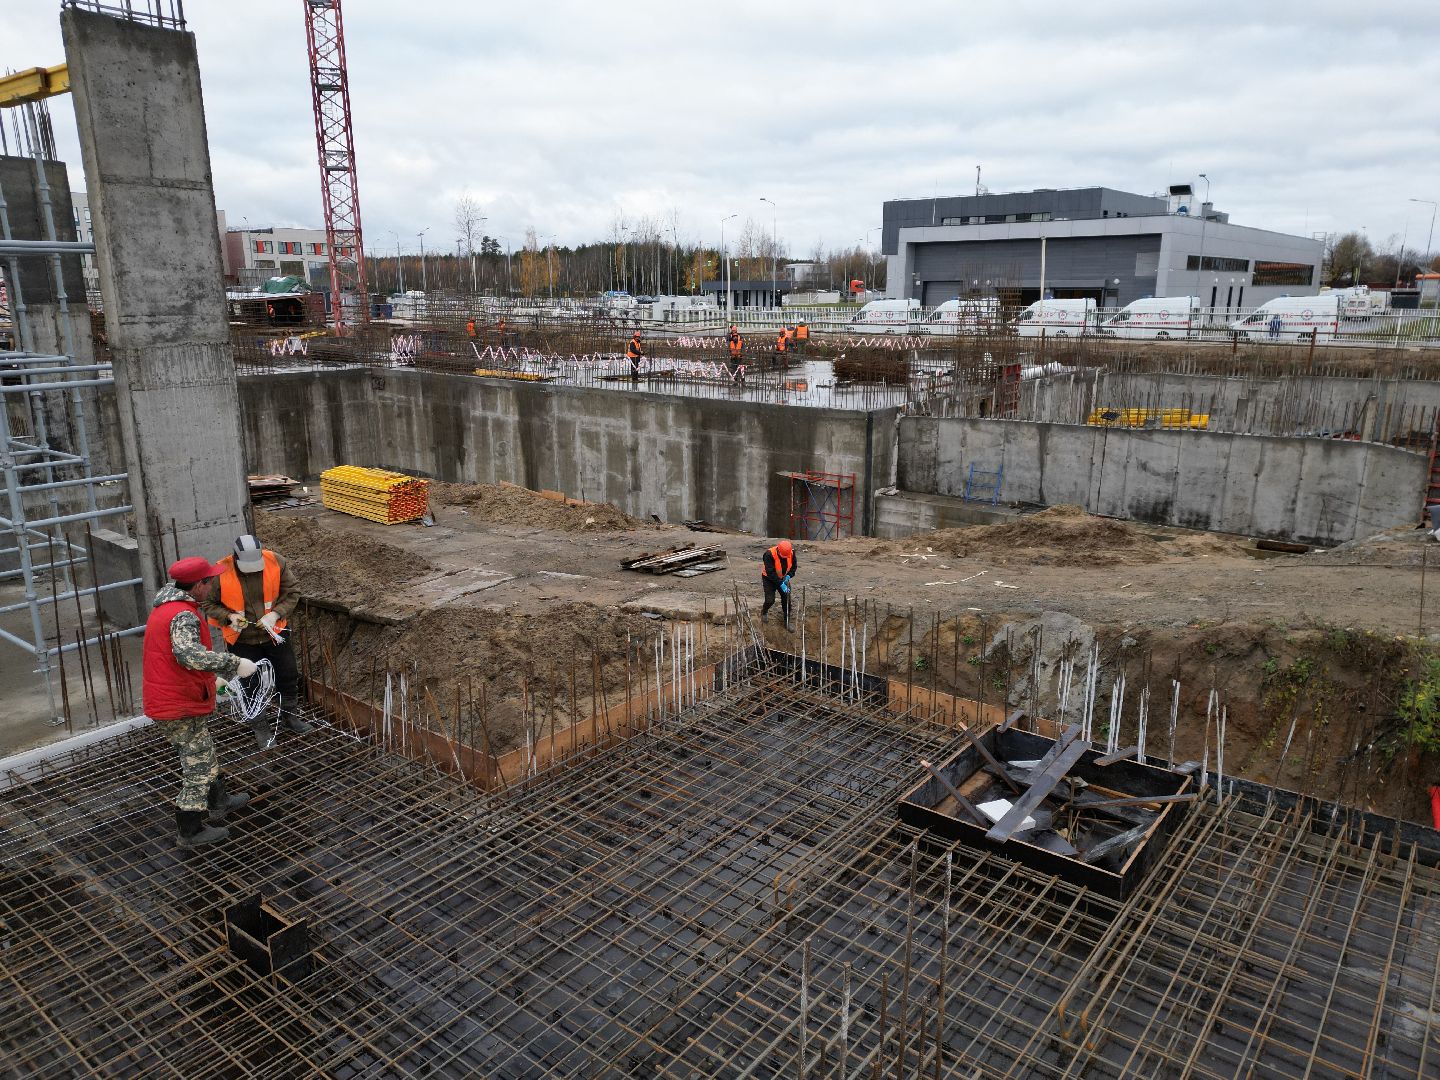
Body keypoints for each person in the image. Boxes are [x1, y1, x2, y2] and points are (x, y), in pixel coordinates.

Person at [143, 556, 256, 849]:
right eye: (209, 581)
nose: (213, 584)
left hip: (178, 695)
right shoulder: (183, 615)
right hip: (176, 705)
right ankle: (190, 831)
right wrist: (233, 664)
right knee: (198, 766)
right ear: (197, 585)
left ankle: (220, 801)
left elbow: (175, 659)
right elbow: (187, 655)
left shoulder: (170, 607)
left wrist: (210, 682)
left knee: (203, 749)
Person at [201, 534, 309, 750]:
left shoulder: (275, 561)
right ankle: (261, 728)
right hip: (242, 639)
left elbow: (292, 592)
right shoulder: (220, 571)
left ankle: (289, 716)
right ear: (236, 558)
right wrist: (229, 617)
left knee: (288, 675)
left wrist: (276, 614)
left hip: (275, 632)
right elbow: (208, 602)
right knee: (251, 684)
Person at [760, 539, 798, 628]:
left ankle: (787, 621)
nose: (785, 558)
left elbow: (794, 567)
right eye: (783, 556)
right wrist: (781, 584)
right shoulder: (769, 554)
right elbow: (770, 572)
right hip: (769, 579)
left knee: (787, 599)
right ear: (778, 551)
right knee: (770, 600)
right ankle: (764, 611)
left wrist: (789, 576)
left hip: (783, 578)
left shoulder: (791, 553)